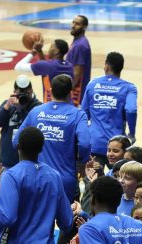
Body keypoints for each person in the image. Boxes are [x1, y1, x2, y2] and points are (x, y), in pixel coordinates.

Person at [14, 74, 90, 203]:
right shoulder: (78, 115)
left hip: (37, 178)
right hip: (65, 180)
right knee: (67, 220)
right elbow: (84, 144)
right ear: (69, 93)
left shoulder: (36, 112)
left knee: (40, 219)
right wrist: (82, 163)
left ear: (50, 90)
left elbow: (16, 141)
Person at [81, 51, 138, 167]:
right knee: (119, 181)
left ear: (106, 66)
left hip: (95, 143)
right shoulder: (129, 88)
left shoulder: (93, 85)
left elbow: (83, 113)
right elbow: (131, 110)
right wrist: (131, 134)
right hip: (118, 146)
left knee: (95, 182)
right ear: (121, 68)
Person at [0, 75, 42, 169]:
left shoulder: (38, 107)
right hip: (7, 162)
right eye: (20, 93)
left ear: (31, 90)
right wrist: (6, 107)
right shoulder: (9, 104)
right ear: (14, 92)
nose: (23, 97)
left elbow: (35, 128)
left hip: (28, 164)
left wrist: (21, 110)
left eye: (26, 93)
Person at [15, 38, 74, 103]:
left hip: (52, 108)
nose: (49, 49)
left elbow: (18, 67)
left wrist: (33, 51)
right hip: (69, 105)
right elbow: (46, 67)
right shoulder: (70, 66)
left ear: (56, 51)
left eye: (51, 46)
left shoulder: (47, 66)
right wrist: (39, 51)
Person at [66, 14, 91, 106]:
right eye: (73, 22)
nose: (73, 25)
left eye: (77, 24)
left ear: (84, 27)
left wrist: (67, 90)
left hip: (76, 92)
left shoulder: (80, 45)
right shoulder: (77, 41)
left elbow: (77, 73)